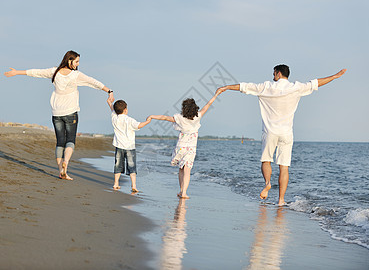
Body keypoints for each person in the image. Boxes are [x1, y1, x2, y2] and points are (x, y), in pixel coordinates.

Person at [217, 65, 346, 206]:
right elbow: (316, 83)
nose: (272, 76)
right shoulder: (296, 87)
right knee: (284, 167)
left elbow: (244, 86)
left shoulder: (266, 87)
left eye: (273, 73)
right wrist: (334, 76)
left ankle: (267, 184)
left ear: (278, 73)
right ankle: (281, 200)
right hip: (287, 133)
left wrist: (226, 87)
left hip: (270, 132)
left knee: (266, 160)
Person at [4, 50, 114, 180]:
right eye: (76, 61)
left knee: (60, 142)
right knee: (70, 140)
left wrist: (17, 72)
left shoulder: (54, 72)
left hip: (56, 113)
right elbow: (93, 82)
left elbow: (36, 72)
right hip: (71, 112)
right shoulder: (75, 75)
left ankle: (61, 170)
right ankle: (65, 163)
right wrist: (109, 91)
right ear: (69, 60)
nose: (78, 64)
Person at [147, 90, 221, 199]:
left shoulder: (179, 118)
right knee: (187, 170)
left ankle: (181, 191)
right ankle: (184, 192)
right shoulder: (198, 117)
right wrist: (215, 95)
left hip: (180, 146)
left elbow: (165, 118)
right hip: (191, 148)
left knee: (181, 169)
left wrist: (152, 116)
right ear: (195, 108)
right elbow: (208, 105)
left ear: (184, 108)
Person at [107, 98, 151, 193]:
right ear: (125, 110)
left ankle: (116, 183)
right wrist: (148, 121)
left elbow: (112, 109)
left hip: (119, 146)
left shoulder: (114, 118)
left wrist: (109, 102)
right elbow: (139, 125)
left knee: (117, 165)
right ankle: (134, 186)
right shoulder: (129, 120)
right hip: (130, 147)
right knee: (132, 166)